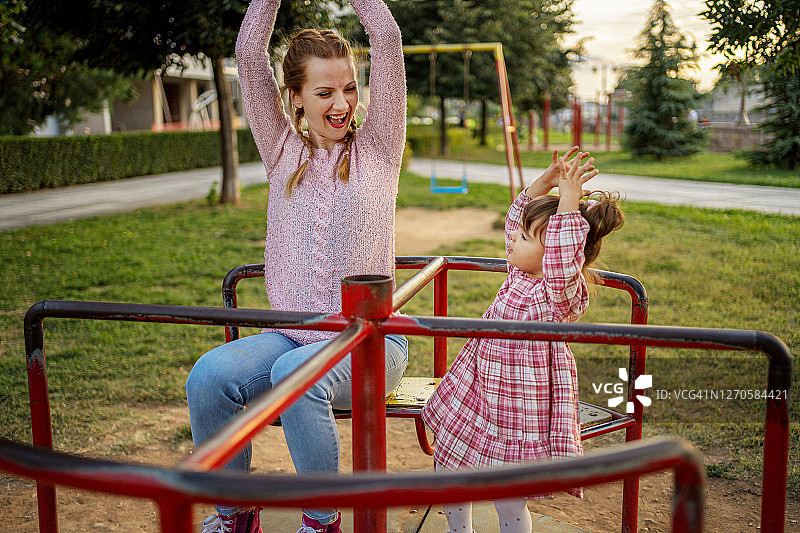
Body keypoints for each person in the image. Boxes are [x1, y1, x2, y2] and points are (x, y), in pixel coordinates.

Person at [185, 0, 408, 532]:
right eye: (325, 92)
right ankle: (235, 514)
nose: (341, 104)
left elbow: (389, 42)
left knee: (295, 375)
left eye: (349, 88)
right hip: (293, 334)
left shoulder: (379, 147)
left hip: (370, 339)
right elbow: (248, 50)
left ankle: (321, 521)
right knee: (208, 376)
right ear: (295, 97)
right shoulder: (282, 149)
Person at [421, 148, 625, 533]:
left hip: (518, 408)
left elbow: (564, 261)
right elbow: (517, 217)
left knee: (509, 495)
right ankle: (457, 530)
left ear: (555, 254)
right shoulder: (517, 275)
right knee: (449, 463)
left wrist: (567, 202)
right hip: (478, 391)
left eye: (526, 237)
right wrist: (545, 184)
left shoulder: (556, 296)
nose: (512, 239)